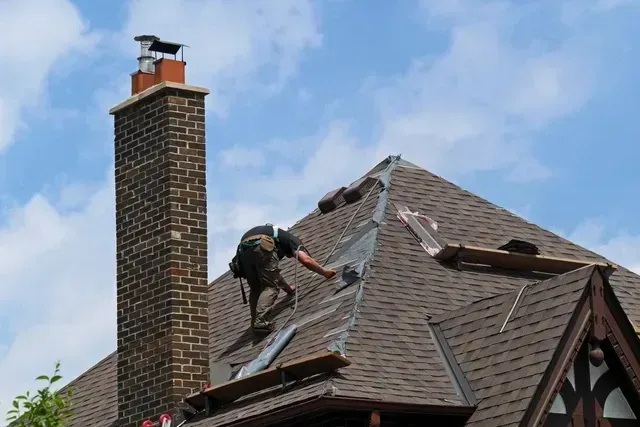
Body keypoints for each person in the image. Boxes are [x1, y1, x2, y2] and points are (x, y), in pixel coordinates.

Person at [234, 224, 337, 334]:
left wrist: (288, 289)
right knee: (270, 287)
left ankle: (255, 324)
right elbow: (305, 259)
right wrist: (324, 272)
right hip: (261, 245)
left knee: (256, 288)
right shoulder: (292, 240)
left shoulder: (272, 234)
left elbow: (272, 274)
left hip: (243, 252)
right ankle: (261, 322)